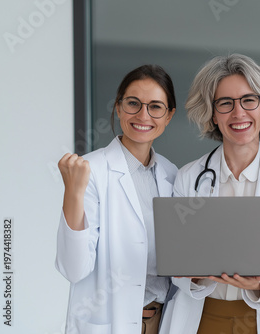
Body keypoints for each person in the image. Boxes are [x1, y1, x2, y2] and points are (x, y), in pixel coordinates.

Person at [160, 54, 260, 334]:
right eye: (225, 103)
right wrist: (196, 277)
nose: (238, 113)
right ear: (213, 115)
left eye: (249, 100)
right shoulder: (189, 176)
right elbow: (176, 265)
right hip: (202, 317)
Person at [56, 64, 178, 334]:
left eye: (155, 107)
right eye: (133, 103)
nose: (143, 115)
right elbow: (73, 269)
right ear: (118, 107)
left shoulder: (172, 174)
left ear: (169, 116)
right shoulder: (90, 170)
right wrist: (73, 193)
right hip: (110, 323)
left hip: (162, 320)